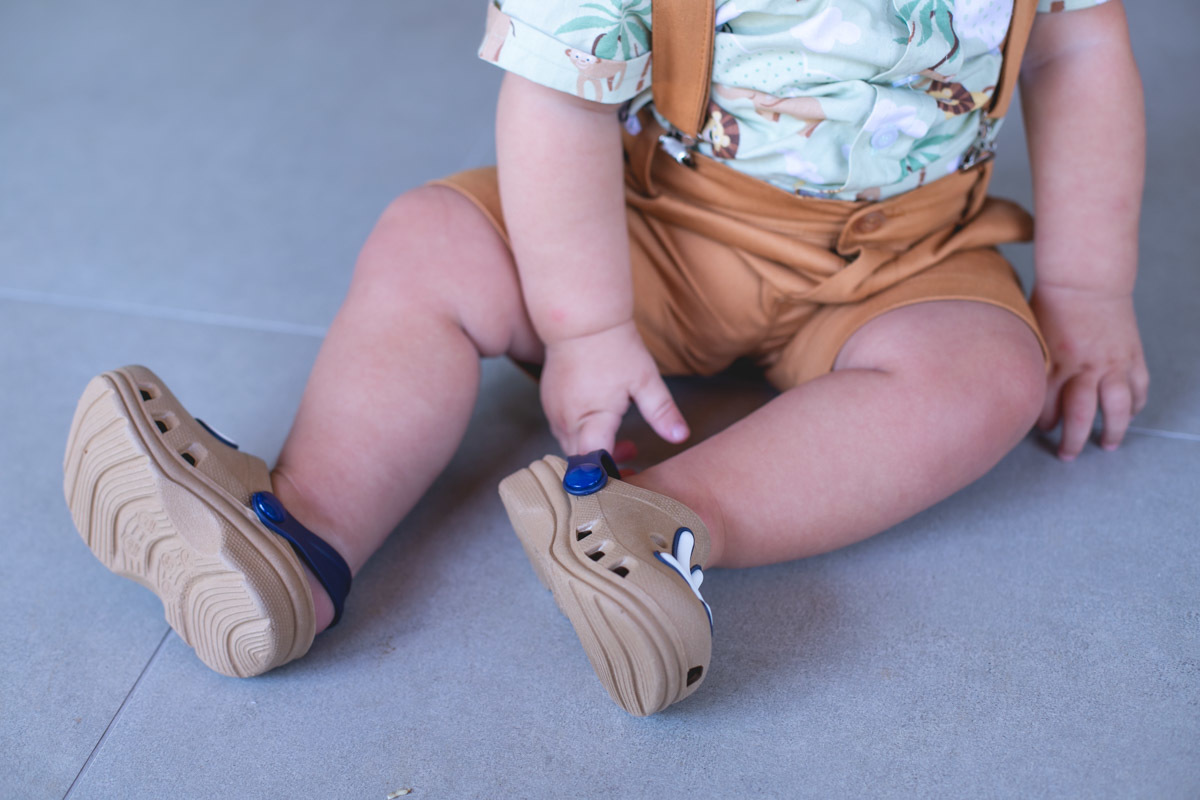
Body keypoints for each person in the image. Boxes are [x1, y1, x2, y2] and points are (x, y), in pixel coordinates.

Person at [64, 0, 1147, 716]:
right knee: (430, 244)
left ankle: (656, 525)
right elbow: (558, 92)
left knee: (987, 374)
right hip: (642, 230)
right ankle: (305, 536)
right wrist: (586, 325)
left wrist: (1088, 288)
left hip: (908, 257)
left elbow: (1079, 48)